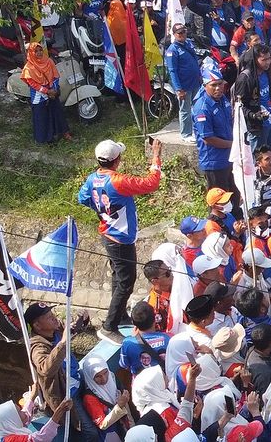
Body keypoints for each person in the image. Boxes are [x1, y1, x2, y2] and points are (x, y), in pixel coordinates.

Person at [78, 138, 163, 344]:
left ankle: (121, 315)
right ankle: (109, 327)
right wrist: (156, 156)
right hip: (121, 237)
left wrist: (103, 211)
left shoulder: (92, 179)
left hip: (107, 233)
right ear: (117, 160)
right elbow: (151, 183)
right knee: (126, 282)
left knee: (118, 275)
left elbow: (82, 198)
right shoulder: (118, 181)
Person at [24, 303, 79, 434]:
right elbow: (46, 369)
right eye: (49, 317)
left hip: (76, 380)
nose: (54, 318)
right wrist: (63, 343)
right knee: (89, 432)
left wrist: (82, 320)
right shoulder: (38, 347)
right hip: (65, 394)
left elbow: (70, 331)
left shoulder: (55, 329)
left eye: (52, 314)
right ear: (37, 326)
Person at [193, 59, 239, 203]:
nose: (218, 88)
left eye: (220, 84)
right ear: (205, 85)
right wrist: (233, 144)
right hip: (214, 162)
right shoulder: (202, 108)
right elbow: (208, 138)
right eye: (213, 85)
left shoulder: (223, 99)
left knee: (234, 198)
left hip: (229, 158)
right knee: (219, 203)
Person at [20, 42, 71, 144]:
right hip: (39, 96)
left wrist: (54, 90)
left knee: (58, 113)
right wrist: (48, 91)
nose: (39, 53)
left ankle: (64, 132)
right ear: (31, 53)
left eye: (40, 50)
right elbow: (33, 84)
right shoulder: (28, 68)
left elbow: (55, 76)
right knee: (42, 117)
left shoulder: (49, 61)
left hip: (52, 92)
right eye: (36, 51)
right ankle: (46, 139)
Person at [80, 354, 131, 440]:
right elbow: (102, 424)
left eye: (105, 373)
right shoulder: (90, 398)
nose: (104, 379)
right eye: (98, 376)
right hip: (112, 435)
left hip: (126, 427)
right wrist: (119, 406)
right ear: (90, 377)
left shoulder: (112, 378)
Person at [163, 23, 201, 142]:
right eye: (179, 33)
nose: (182, 35)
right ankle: (186, 134)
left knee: (197, 108)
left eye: (184, 32)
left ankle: (196, 130)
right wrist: (178, 89)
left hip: (195, 82)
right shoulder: (172, 50)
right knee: (185, 110)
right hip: (184, 85)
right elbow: (172, 71)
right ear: (174, 35)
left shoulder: (188, 44)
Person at [0, 396, 73, 442]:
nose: (23, 412)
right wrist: (59, 412)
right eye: (19, 412)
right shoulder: (8, 440)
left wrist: (32, 395)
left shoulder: (2, 427)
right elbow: (40, 439)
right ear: (11, 420)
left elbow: (25, 417)